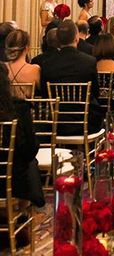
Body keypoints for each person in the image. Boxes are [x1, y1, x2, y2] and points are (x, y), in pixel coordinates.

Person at [40, 20, 103, 134]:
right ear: (77, 38)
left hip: (56, 123)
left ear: (58, 40)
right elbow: (95, 92)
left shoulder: (47, 64)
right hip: (87, 121)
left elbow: (45, 95)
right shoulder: (89, 61)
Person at [0, 63, 44, 208]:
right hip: (13, 182)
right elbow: (31, 150)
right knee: (30, 163)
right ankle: (23, 215)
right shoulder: (19, 108)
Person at [4, 30, 40, 98]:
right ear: (26, 48)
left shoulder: (2, 68)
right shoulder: (34, 69)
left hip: (6, 107)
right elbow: (42, 91)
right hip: (25, 107)